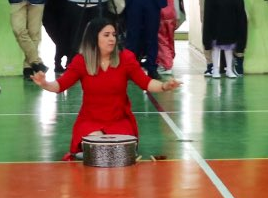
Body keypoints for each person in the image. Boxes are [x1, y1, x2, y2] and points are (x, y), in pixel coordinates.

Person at [32, 17, 173, 159]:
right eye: (106, 35)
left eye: (114, 35)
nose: (112, 39)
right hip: (90, 121)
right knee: (97, 145)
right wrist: (45, 84)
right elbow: (60, 85)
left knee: (114, 148)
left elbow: (146, 83)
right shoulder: (81, 61)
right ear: (94, 38)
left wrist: (164, 86)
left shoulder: (126, 58)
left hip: (119, 121)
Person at [200, 0, 246, 78]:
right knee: (215, 48)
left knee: (228, 48)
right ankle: (215, 70)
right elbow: (209, 6)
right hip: (216, 22)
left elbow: (239, 7)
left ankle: (229, 70)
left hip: (229, 22)